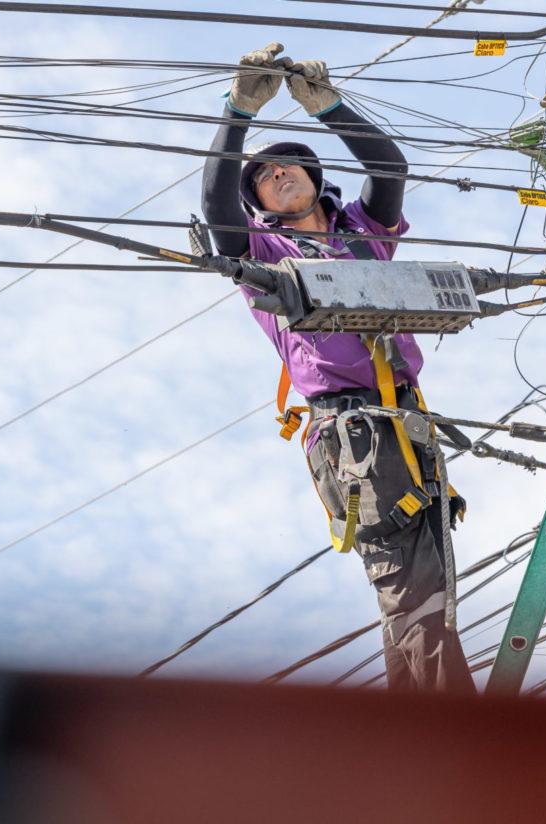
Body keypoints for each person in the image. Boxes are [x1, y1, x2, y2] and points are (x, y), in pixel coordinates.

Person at [202, 44, 475, 693]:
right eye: (263, 173)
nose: (276, 172)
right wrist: (239, 110)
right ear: (261, 204)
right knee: (416, 595)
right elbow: (217, 205)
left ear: (313, 177)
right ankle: (463, 737)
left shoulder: (360, 231)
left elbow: (389, 165)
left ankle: (419, 729)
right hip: (350, 431)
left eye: (287, 163)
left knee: (423, 586)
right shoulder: (265, 254)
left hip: (406, 421)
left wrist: (329, 107)